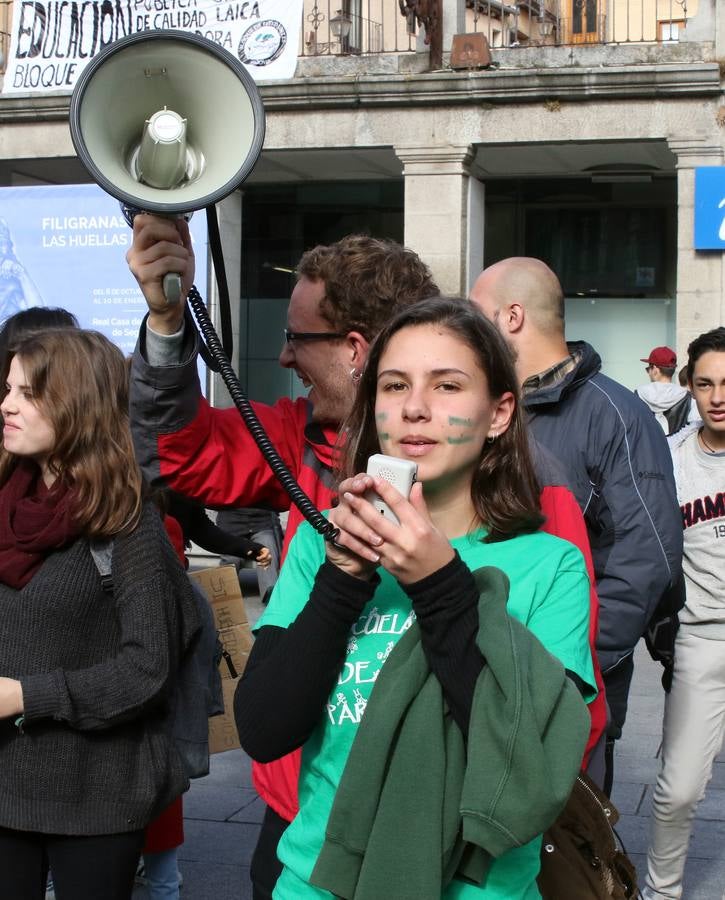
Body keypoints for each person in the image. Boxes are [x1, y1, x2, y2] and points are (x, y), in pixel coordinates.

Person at [235, 296, 595, 899]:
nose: (416, 409)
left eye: (448, 385)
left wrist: (438, 585)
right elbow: (265, 729)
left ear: (500, 412)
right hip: (316, 883)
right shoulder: (319, 547)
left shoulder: (549, 566)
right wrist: (343, 579)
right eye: (395, 385)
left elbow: (529, 759)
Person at [126, 220, 440, 897]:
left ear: (356, 349)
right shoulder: (296, 439)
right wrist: (165, 317)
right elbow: (174, 447)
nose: (286, 357)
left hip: (429, 811)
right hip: (297, 802)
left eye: (299, 337)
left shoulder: (504, 477)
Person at [470, 256, 683, 795]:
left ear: (511, 317)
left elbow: (649, 555)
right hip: (478, 672)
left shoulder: (615, 414)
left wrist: (574, 660)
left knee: (565, 860)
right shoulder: (484, 411)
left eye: (476, 316)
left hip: (573, 687)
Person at [0, 328, 200, 900]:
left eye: (26, 392)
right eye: (7, 388)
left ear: (77, 404)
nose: (5, 404)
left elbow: (147, 672)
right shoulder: (4, 501)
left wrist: (24, 697)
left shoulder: (127, 524)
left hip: (97, 798)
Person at [643, 327, 725, 900]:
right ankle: (661, 892)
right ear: (688, 389)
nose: (719, 395)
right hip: (701, 639)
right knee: (677, 790)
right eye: (706, 383)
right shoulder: (669, 460)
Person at [635, 346, 692, 435]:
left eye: (648, 369)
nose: (648, 373)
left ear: (655, 370)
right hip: (677, 447)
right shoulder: (687, 397)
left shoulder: (639, 394)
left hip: (647, 448)